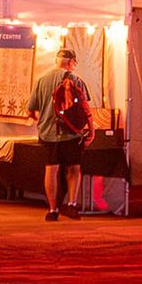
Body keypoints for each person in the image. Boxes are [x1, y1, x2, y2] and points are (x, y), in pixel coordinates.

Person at [28, 45, 93, 221]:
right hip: (71, 133)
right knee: (73, 169)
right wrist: (89, 129)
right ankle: (71, 204)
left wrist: (42, 121)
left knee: (51, 170)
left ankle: (52, 209)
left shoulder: (41, 80)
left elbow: (30, 110)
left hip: (48, 133)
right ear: (71, 62)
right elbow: (85, 107)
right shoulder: (76, 79)